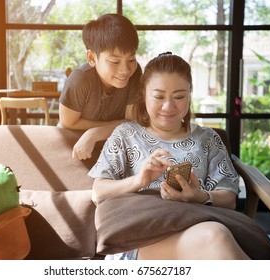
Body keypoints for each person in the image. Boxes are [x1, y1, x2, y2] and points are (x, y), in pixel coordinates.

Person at [88, 52, 250, 260]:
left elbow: (229, 197)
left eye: (180, 97)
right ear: (144, 94)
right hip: (139, 240)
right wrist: (140, 180)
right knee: (214, 238)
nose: (168, 107)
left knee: (214, 237)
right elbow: (98, 193)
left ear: (190, 95)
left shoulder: (208, 138)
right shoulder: (125, 134)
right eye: (158, 96)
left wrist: (199, 197)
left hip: (196, 227)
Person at [59, 13, 142, 160]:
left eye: (131, 59)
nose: (126, 70)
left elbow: (131, 123)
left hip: (113, 149)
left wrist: (96, 133)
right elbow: (68, 122)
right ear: (92, 58)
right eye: (115, 62)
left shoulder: (135, 75)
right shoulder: (80, 79)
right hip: (73, 147)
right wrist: (114, 125)